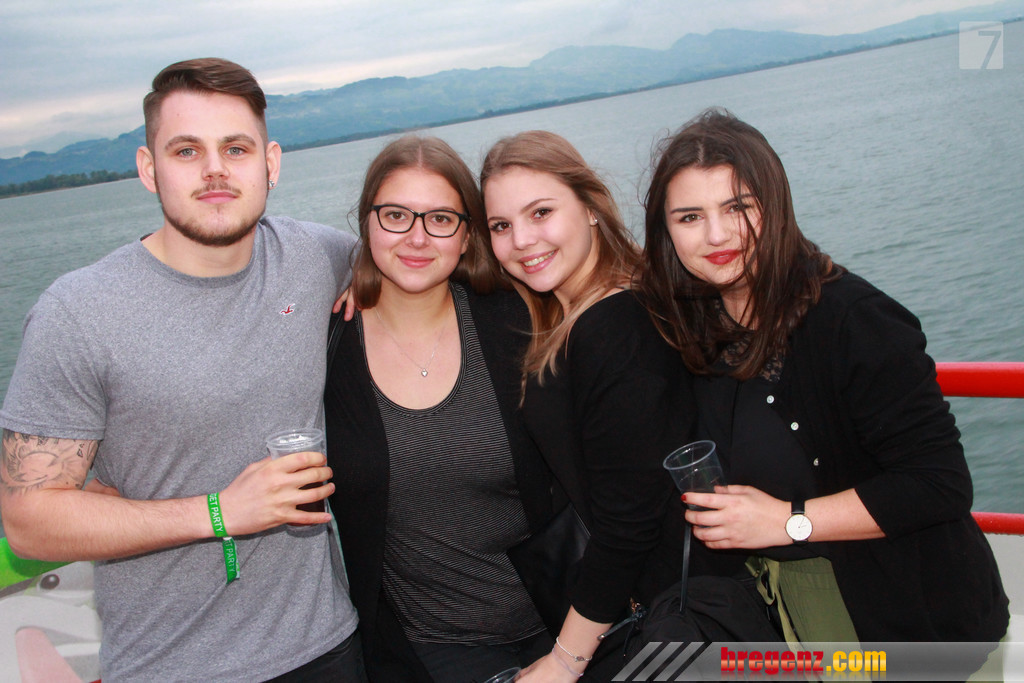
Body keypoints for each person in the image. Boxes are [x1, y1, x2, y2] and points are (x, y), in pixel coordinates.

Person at [0, 58, 365, 681]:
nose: (215, 169)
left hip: (327, 646)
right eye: (187, 150)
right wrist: (219, 512)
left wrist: (376, 282)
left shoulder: (318, 257)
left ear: (271, 163)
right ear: (149, 169)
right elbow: (28, 522)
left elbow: (418, 259)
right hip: (170, 663)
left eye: (236, 148)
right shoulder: (80, 313)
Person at [636, 109, 1008, 656]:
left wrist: (787, 522)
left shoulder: (854, 321)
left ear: (777, 206)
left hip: (905, 620)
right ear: (665, 231)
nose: (717, 235)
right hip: (784, 616)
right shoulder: (696, 326)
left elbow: (939, 483)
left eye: (739, 207)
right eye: (690, 216)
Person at [325, 135, 555, 683]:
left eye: (441, 220)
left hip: (563, 619)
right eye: (396, 215)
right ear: (367, 223)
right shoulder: (329, 346)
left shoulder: (515, 319)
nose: (417, 238)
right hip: (430, 648)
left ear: (467, 234)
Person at [480, 131, 700, 681]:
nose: (522, 241)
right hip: (642, 606)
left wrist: (566, 660)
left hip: (663, 617)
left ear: (591, 207)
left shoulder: (614, 327)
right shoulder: (576, 313)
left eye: (541, 213)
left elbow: (628, 522)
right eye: (500, 226)